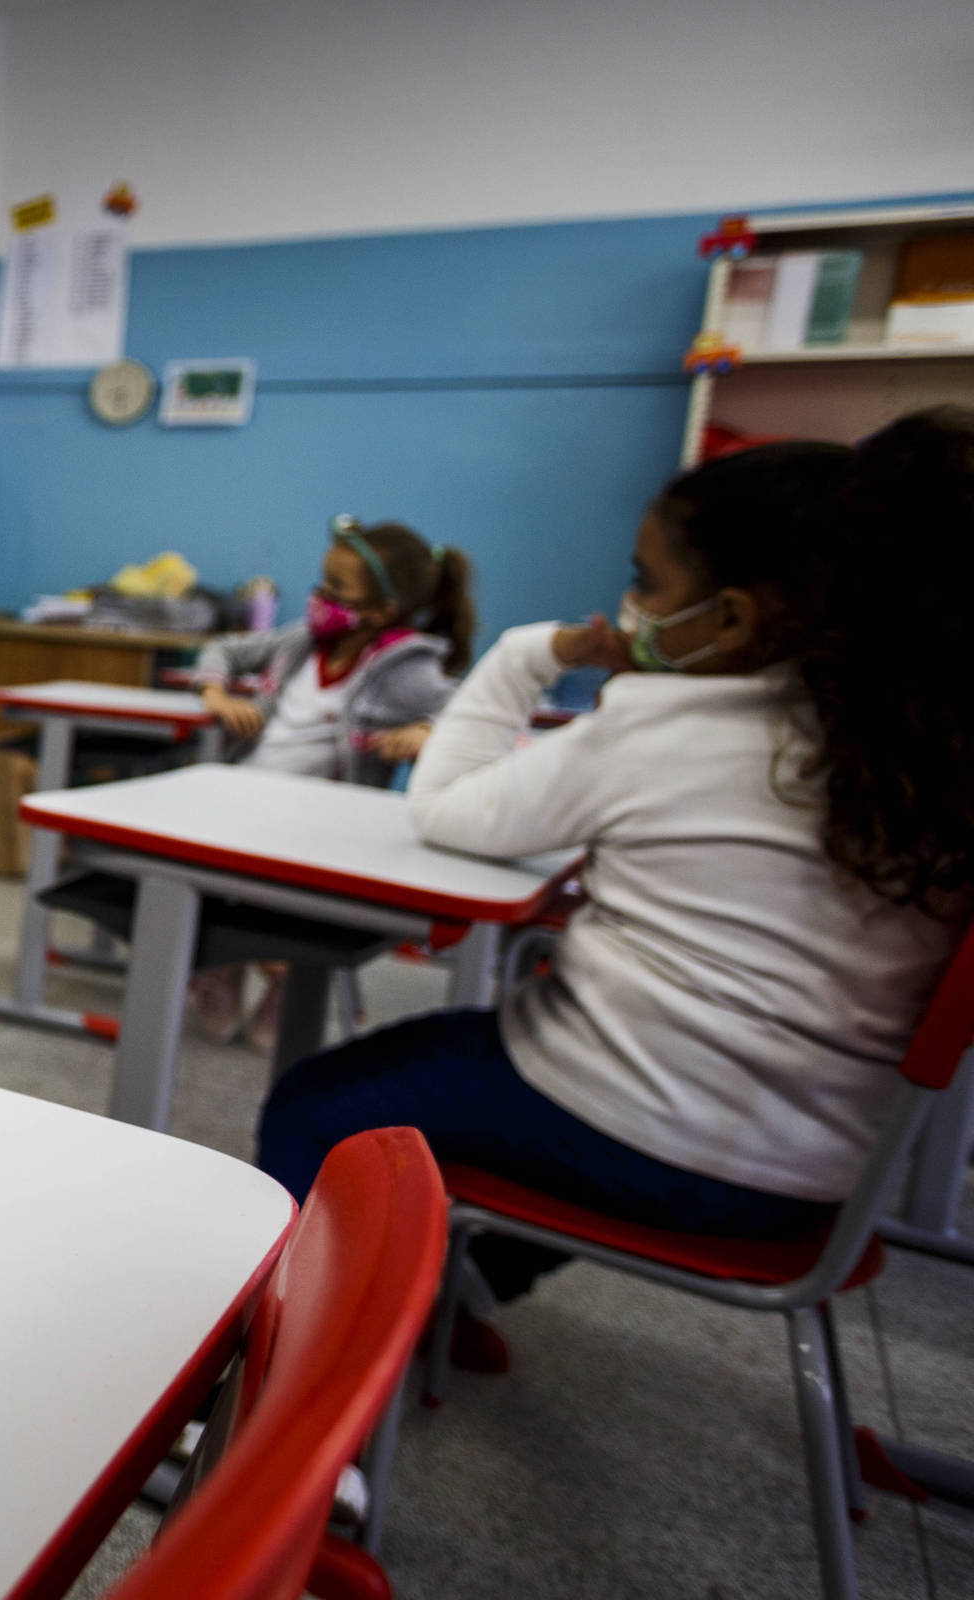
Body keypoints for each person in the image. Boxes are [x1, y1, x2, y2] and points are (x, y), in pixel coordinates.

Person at [257, 412, 974, 1365]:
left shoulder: (664, 720)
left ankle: (284, 1394)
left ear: (733, 617)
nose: (628, 603)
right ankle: (452, 1291)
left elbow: (448, 809)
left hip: (627, 1131)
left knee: (317, 1101)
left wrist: (526, 653)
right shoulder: (927, 753)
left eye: (646, 582)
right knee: (546, 1098)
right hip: (818, 1181)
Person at [190, 520, 478, 1044]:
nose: (319, 598)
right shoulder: (301, 643)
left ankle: (285, 980)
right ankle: (225, 971)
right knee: (193, 882)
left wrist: (424, 730)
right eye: (320, 584)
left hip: (321, 830)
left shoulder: (403, 668)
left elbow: (473, 714)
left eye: (336, 590)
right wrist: (216, 695)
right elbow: (226, 651)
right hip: (241, 804)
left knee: (267, 924)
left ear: (383, 610)